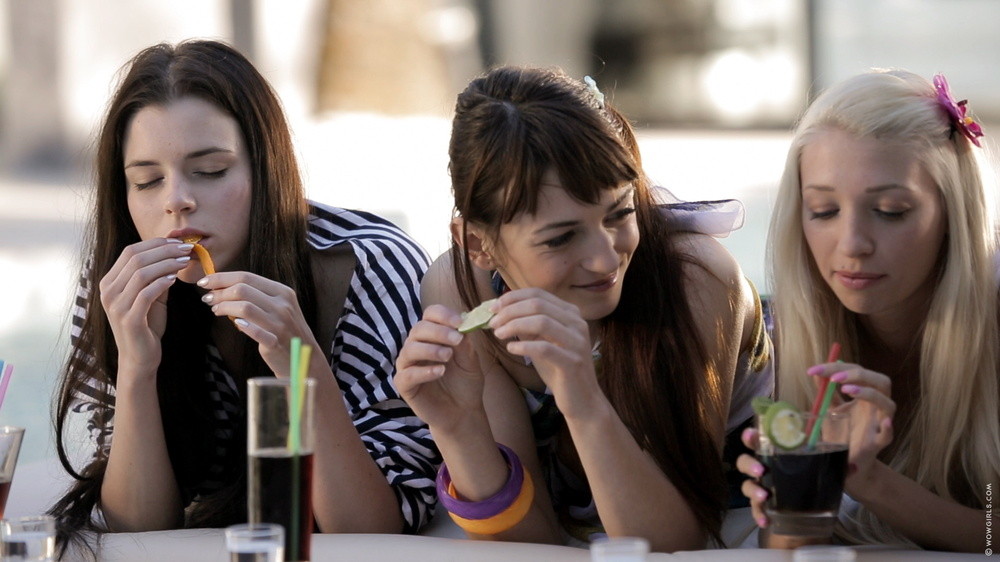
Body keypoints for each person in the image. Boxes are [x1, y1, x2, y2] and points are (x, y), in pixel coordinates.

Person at [47, 39, 439, 551]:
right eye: (146, 181)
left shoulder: (372, 268)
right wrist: (138, 369)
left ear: (266, 168)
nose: (177, 201)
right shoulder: (120, 284)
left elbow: (371, 531)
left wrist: (303, 367)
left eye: (210, 171)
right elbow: (137, 531)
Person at [394, 66, 773, 552]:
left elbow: (673, 543)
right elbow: (531, 543)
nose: (604, 257)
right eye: (561, 237)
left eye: (620, 213)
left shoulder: (696, 278)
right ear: (476, 243)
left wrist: (580, 395)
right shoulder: (462, 291)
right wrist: (456, 427)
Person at [737, 69, 1000, 552]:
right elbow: (789, 547)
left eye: (891, 211)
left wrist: (871, 482)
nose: (853, 244)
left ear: (953, 215)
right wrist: (792, 504)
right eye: (823, 211)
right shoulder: (795, 333)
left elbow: (992, 538)